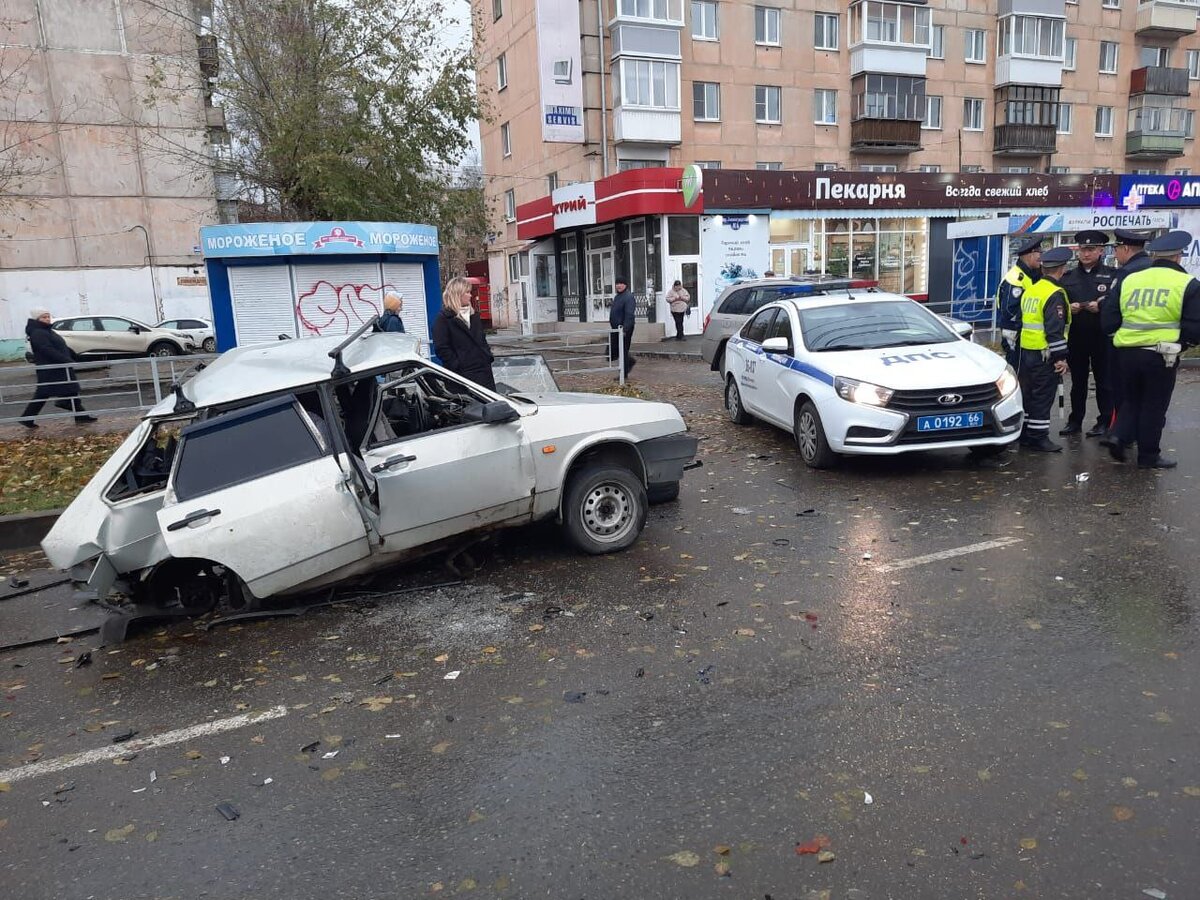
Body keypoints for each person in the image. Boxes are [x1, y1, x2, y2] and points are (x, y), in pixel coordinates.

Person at [1103, 230, 1200, 469]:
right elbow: (1194, 326)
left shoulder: (1131, 279)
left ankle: (1118, 436)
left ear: (1155, 257)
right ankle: (1148, 456)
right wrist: (1182, 346)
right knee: (1154, 405)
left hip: (1126, 352)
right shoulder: (1188, 284)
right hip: (1161, 354)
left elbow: (1108, 319)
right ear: (1178, 258)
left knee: (1132, 399)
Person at [1058, 230, 1118, 437]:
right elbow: (1057, 303)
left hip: (1102, 336)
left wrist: (1101, 306)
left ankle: (1104, 421)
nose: (1086, 254)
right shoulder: (1068, 277)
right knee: (1078, 382)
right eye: (1083, 249)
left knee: (1104, 381)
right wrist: (1068, 308)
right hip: (1077, 336)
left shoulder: (1111, 275)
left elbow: (1117, 302)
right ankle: (1075, 421)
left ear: (1101, 251)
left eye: (1091, 249)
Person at [1098, 229, 1154, 446]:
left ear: (1126, 249)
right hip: (1154, 344)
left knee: (1124, 392)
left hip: (1126, 342)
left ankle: (1123, 435)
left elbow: (1114, 309)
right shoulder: (1152, 268)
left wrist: (1103, 309)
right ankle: (1140, 435)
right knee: (1149, 395)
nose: (1116, 255)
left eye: (1116, 249)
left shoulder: (1127, 272)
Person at [1017, 246, 1072, 453]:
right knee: (1042, 396)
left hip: (1027, 351)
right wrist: (1060, 358)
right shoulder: (1055, 294)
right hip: (1045, 353)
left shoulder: (1032, 289)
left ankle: (1026, 433)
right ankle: (1039, 437)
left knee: (1029, 394)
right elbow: (1054, 329)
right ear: (1062, 269)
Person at [19, 308, 97, 428]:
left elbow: (62, 346)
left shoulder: (48, 330)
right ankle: (29, 417)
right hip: (51, 369)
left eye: (48, 316)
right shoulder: (38, 332)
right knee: (45, 393)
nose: (47, 319)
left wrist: (75, 356)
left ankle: (80, 416)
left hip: (59, 367)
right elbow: (47, 350)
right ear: (37, 319)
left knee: (71, 390)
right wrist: (65, 360)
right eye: (43, 317)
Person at [432, 276, 497, 391]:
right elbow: (441, 348)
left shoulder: (473, 315)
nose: (471, 295)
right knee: (470, 408)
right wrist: (457, 364)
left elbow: (482, 340)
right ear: (458, 294)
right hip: (462, 377)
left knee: (490, 407)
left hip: (483, 372)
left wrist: (487, 356)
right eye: (467, 292)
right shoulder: (443, 319)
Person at [998, 235, 1044, 369]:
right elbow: (1010, 311)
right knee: (1017, 374)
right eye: (1039, 254)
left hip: (1025, 337)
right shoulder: (1016, 278)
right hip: (1015, 336)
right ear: (1030, 255)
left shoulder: (1032, 274)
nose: (1040, 258)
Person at [609, 276, 636, 377]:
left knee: (623, 350)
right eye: (617, 283)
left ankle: (623, 374)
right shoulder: (618, 296)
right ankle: (629, 362)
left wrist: (625, 329)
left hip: (624, 329)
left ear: (625, 285)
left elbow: (629, 314)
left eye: (621, 283)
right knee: (617, 350)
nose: (618, 286)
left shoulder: (628, 297)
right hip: (616, 328)